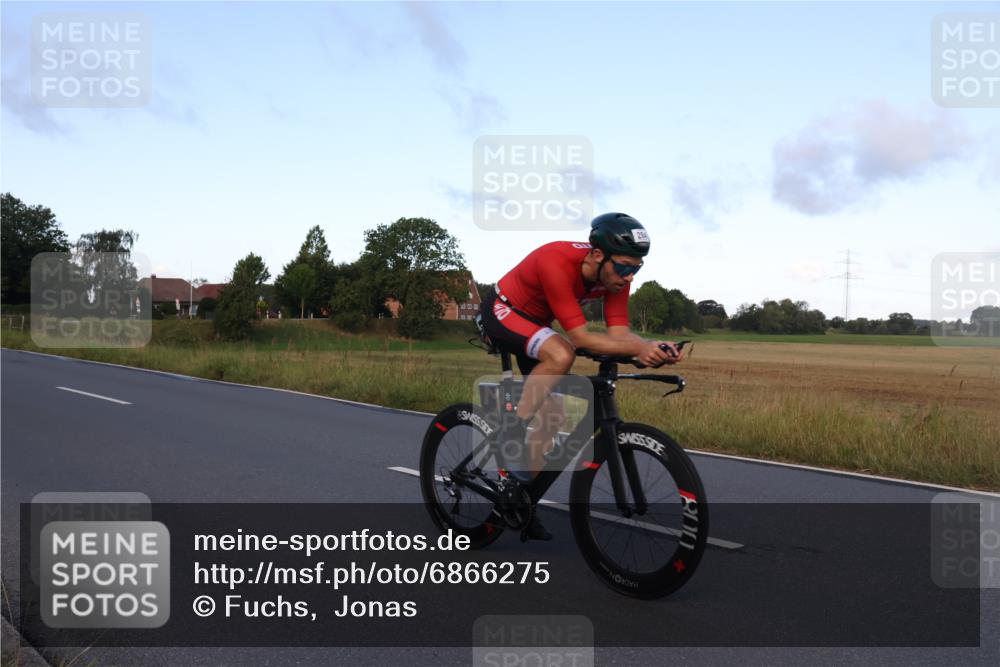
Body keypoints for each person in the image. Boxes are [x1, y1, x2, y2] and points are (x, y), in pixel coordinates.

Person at [479, 212, 686, 540]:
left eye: (636, 268)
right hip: (502, 311)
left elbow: (620, 334)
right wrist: (637, 349)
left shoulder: (614, 277)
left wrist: (651, 347)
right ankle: (511, 431)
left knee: (553, 416)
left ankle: (520, 499)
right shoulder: (556, 261)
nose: (629, 277)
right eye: (624, 267)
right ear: (597, 255)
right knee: (561, 352)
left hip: (536, 324)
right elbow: (580, 338)